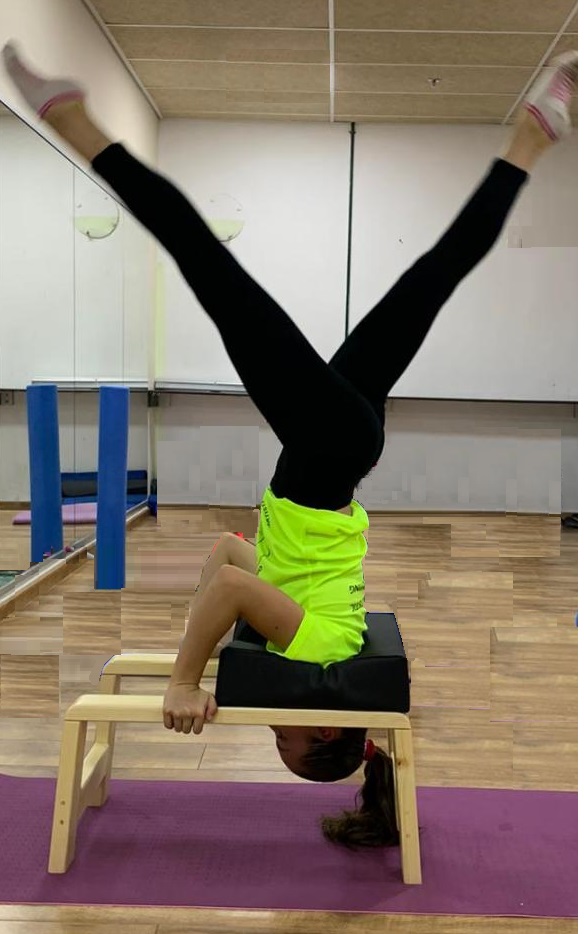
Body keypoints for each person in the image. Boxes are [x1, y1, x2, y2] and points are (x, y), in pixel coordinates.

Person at [3, 43, 577, 848]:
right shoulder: (319, 649)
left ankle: (535, 132)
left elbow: (225, 560)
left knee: (431, 278)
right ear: (325, 723)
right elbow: (232, 594)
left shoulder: (302, 629)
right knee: (208, 266)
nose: (273, 722)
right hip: (326, 449)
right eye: (286, 733)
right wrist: (184, 677)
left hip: (342, 452)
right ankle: (75, 123)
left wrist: (210, 638)